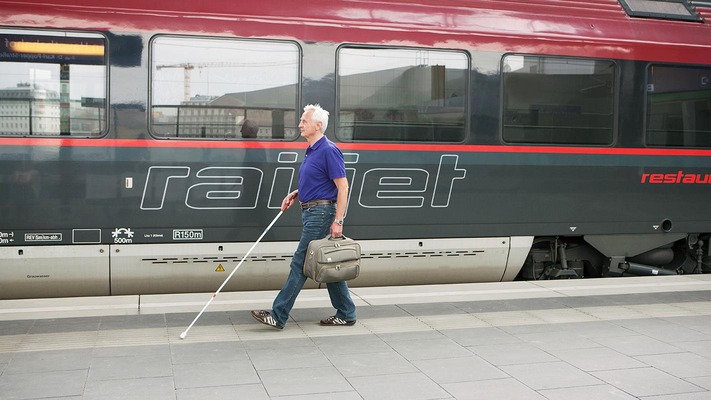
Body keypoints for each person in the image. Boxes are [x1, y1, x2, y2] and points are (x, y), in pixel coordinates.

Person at [251, 104, 356, 329]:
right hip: (310, 211)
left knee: (300, 262)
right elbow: (320, 181)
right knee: (327, 263)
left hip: (321, 213)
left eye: (304, 121)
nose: (299, 124)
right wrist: (297, 193)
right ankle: (346, 312)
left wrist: (338, 220)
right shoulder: (312, 150)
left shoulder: (328, 149)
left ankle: (278, 315)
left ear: (318, 125)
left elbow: (343, 187)